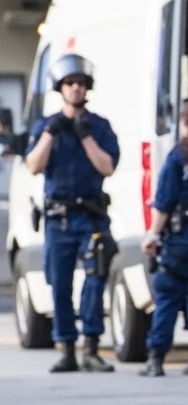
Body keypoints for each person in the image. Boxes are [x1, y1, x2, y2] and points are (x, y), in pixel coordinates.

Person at [25, 53, 119, 373]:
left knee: (95, 279)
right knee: (59, 283)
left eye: (80, 83)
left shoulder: (99, 126)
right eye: (70, 83)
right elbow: (33, 166)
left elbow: (107, 167)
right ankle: (67, 348)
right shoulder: (46, 126)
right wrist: (52, 132)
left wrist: (85, 135)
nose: (76, 88)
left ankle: (91, 348)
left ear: (87, 88)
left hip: (90, 215)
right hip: (57, 219)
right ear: (60, 88)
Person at [139, 99, 188, 377]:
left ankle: (156, 358)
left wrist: (153, 235)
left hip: (182, 239)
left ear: (184, 123)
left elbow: (163, 202)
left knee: (168, 297)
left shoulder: (177, 157)